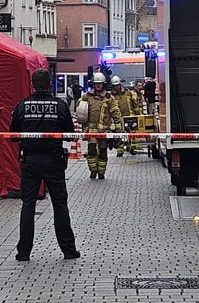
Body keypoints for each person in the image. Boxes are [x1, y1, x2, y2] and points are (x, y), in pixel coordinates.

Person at [10, 68, 80, 261]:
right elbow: (69, 133)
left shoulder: (22, 106)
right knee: (60, 204)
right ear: (50, 84)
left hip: (30, 161)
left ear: (32, 85)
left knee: (28, 205)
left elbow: (13, 136)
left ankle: (23, 252)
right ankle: (68, 250)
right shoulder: (60, 106)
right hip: (53, 161)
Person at [76, 72, 123, 180]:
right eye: (96, 83)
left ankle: (101, 172)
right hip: (91, 130)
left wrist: (118, 129)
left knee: (103, 152)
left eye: (100, 83)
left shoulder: (109, 98)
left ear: (103, 84)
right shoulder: (87, 97)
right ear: (93, 84)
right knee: (91, 151)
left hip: (104, 131)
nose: (98, 85)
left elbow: (115, 113)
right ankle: (93, 171)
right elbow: (80, 111)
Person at [109, 76, 141, 157]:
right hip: (118, 118)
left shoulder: (128, 92)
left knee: (130, 133)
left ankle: (131, 148)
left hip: (129, 116)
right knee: (119, 133)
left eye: (117, 85)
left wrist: (137, 114)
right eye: (115, 86)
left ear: (120, 84)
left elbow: (135, 104)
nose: (116, 87)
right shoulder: (111, 96)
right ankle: (120, 150)